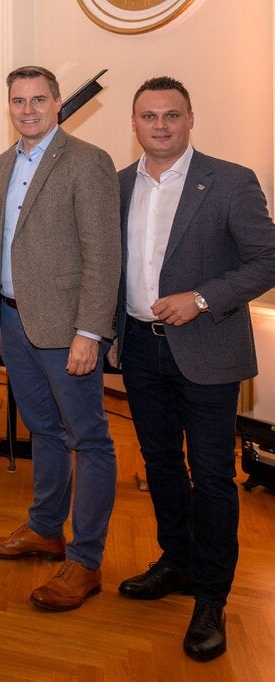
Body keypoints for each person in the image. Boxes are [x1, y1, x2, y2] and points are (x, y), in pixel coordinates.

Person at [111, 76, 275, 661]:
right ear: (134, 123)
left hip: (206, 346)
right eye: (149, 116)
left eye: (171, 116)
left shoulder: (230, 181)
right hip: (138, 349)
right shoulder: (119, 184)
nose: (160, 125)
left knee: (211, 475)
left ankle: (211, 596)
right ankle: (176, 562)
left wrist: (201, 298)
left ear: (189, 119)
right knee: (158, 464)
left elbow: (267, 259)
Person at [0, 66, 120, 611]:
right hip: (14, 323)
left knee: (90, 439)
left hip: (67, 329)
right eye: (18, 100)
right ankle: (43, 529)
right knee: (44, 432)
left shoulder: (88, 162)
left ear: (58, 103)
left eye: (39, 99)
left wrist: (90, 331)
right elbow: (1, 245)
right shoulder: (6, 163)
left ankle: (85, 561)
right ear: (8, 105)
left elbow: (103, 254)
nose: (28, 109)